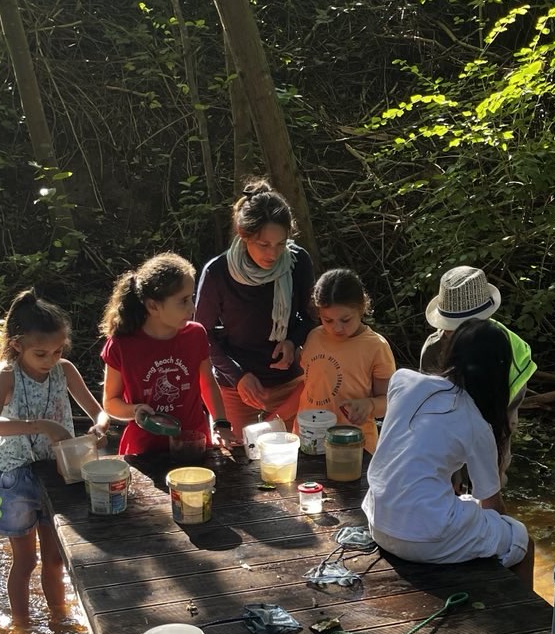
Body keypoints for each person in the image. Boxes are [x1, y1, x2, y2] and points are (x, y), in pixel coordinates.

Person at [367, 319, 535, 584]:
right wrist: (501, 532)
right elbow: (492, 504)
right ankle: (529, 621)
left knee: (466, 505)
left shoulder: (402, 380)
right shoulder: (476, 422)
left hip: (377, 522)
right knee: (522, 539)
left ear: (450, 351)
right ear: (497, 373)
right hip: (422, 541)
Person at [0, 291, 109, 627]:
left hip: (57, 471)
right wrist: (42, 426)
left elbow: (99, 411)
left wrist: (100, 426)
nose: (50, 359)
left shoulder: (64, 371)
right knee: (25, 561)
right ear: (17, 345)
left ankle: (59, 620)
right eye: (41, 353)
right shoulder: (7, 374)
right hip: (15, 475)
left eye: (57, 351)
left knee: (54, 558)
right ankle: (21, 626)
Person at [193, 181, 316, 436]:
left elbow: (311, 316)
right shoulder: (217, 272)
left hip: (291, 384)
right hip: (236, 388)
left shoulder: (298, 261)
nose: (273, 253)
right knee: (239, 466)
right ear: (243, 234)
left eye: (281, 244)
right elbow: (201, 335)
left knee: (293, 464)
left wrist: (293, 342)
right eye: (264, 244)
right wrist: (238, 376)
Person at [101, 253, 230, 454]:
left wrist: (221, 424)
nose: (192, 308)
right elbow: (110, 403)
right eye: (183, 301)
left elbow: (207, 383)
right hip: (143, 450)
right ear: (153, 306)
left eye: (192, 298)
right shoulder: (121, 344)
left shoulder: (196, 334)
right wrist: (134, 411)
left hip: (193, 443)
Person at [418, 266, 536, 478]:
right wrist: (450, 471)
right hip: (446, 429)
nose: (449, 334)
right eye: (448, 328)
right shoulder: (434, 348)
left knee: (490, 479)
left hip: (495, 420)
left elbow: (502, 420)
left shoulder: (508, 348)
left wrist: (492, 472)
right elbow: (430, 414)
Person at [296, 269, 396, 453]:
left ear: (361, 307)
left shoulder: (375, 346)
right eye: (328, 320)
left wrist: (370, 405)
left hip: (354, 446)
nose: (337, 328)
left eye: (345, 320)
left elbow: (389, 402)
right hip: (309, 439)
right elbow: (310, 385)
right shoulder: (314, 336)